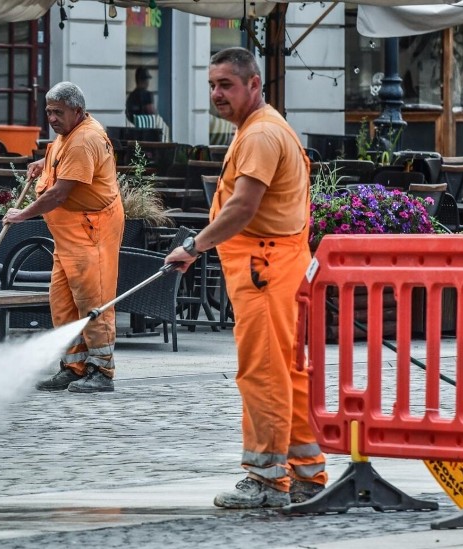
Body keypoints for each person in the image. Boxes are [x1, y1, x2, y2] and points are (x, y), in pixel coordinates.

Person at [164, 47, 327, 508]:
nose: (217, 93)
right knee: (287, 372)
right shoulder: (264, 127)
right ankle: (305, 475)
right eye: (212, 84)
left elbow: (242, 208)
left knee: (263, 373)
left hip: (264, 269)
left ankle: (266, 479)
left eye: (226, 85)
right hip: (275, 264)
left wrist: (194, 246)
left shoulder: (260, 135)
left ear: (254, 85)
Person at [4, 81, 124, 394]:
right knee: (63, 303)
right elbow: (61, 156)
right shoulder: (68, 134)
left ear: (78, 111)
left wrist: (22, 215)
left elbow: (59, 194)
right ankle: (74, 366)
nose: (52, 118)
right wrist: (43, 162)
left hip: (91, 231)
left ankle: (102, 371)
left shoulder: (85, 139)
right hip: (69, 236)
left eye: (58, 112)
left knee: (93, 301)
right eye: (48, 111)